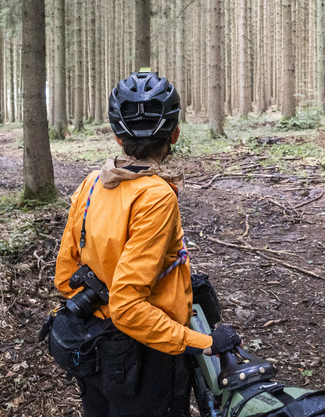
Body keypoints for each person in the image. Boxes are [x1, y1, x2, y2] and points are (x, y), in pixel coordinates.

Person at [54, 70, 241, 417]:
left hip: (93, 348)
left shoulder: (91, 185)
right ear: (175, 133)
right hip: (144, 359)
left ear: (116, 137)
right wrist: (206, 343)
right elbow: (127, 306)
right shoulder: (156, 195)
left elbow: (66, 277)